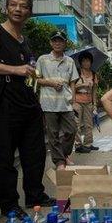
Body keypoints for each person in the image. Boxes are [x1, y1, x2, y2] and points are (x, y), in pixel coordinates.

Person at [0, 0, 54, 218]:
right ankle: (8, 204)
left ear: (30, 12)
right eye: (14, 5)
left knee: (35, 153)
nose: (18, 9)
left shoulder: (24, 40)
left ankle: (35, 195)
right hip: (3, 105)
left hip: (27, 103)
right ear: (6, 8)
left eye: (24, 6)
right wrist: (14, 69)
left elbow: (26, 72)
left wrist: (35, 79)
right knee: (6, 157)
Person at [36, 32, 79, 169]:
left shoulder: (70, 61)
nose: (57, 43)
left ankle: (63, 154)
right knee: (53, 134)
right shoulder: (42, 59)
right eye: (55, 41)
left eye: (60, 41)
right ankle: (60, 161)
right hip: (48, 103)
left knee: (72, 130)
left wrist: (73, 99)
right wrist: (51, 83)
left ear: (65, 43)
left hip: (65, 103)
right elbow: (36, 79)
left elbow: (73, 82)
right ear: (50, 43)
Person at [73, 51, 99, 153]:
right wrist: (82, 85)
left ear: (91, 62)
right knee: (77, 124)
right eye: (84, 61)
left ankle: (88, 144)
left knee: (89, 124)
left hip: (88, 102)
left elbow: (94, 91)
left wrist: (94, 104)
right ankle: (78, 145)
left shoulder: (93, 74)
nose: (86, 63)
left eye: (88, 61)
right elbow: (71, 87)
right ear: (80, 62)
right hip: (77, 102)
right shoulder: (77, 73)